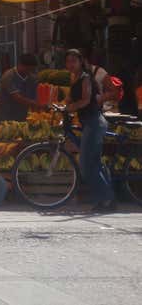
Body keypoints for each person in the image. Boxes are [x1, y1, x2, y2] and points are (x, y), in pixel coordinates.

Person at [64, 49, 115, 212]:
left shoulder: (85, 78)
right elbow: (71, 98)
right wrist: (63, 105)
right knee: (95, 163)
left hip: (94, 122)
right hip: (89, 122)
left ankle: (106, 199)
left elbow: (86, 100)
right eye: (68, 61)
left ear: (81, 62)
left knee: (86, 164)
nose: (70, 64)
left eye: (74, 61)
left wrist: (70, 107)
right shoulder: (74, 78)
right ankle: (106, 200)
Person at [0, 53, 41, 123]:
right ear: (20, 65)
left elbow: (35, 95)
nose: (30, 72)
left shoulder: (32, 78)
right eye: (28, 69)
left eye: (32, 69)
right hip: (7, 115)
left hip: (23, 115)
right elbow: (17, 97)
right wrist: (35, 104)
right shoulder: (8, 76)